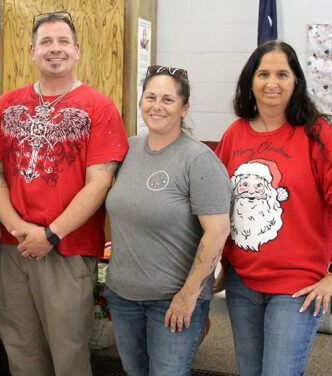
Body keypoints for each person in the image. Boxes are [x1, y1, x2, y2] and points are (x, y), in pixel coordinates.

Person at [0, 11, 128, 376]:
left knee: (68, 356)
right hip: (14, 246)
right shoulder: (5, 106)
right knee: (21, 351)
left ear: (77, 50)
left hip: (67, 247)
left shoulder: (99, 108)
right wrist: (19, 229)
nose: (55, 49)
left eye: (63, 41)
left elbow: (99, 184)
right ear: (32, 51)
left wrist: (50, 234)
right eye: (46, 42)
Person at [215, 40, 332, 375]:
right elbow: (218, 204)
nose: (272, 82)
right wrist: (219, 265)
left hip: (297, 288)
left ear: (296, 81)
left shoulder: (316, 133)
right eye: (263, 73)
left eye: (282, 74)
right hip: (242, 282)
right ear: (250, 82)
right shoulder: (234, 134)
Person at [104, 66, 231, 376]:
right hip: (122, 296)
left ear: (184, 108)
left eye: (168, 99)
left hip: (172, 299)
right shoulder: (128, 149)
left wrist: (188, 296)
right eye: (150, 97)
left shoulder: (198, 159)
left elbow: (217, 232)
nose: (156, 106)